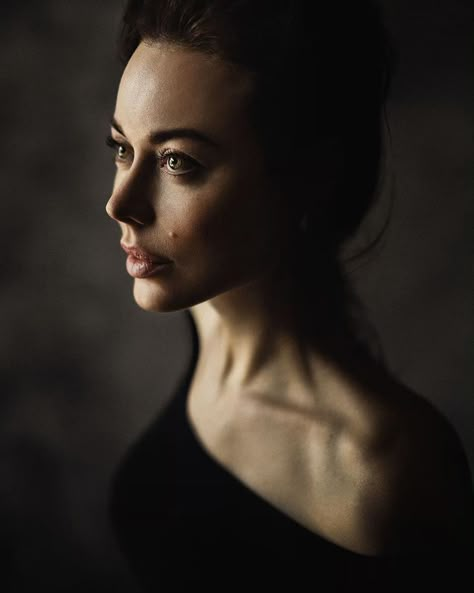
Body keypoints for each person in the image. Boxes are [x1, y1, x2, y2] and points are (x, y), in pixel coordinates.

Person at [104, 1, 474, 591]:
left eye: (178, 162)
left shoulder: (381, 467)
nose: (120, 203)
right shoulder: (206, 311)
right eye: (122, 149)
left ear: (308, 178)